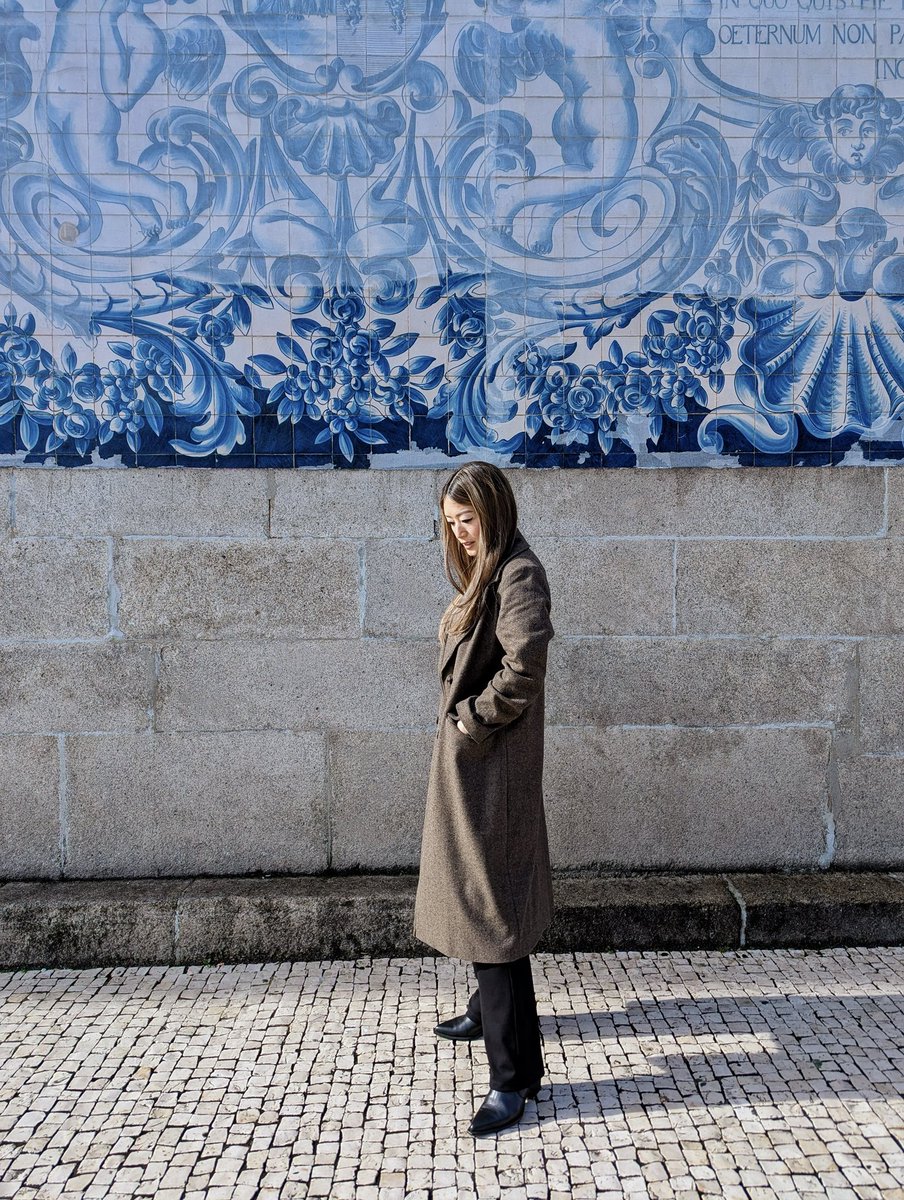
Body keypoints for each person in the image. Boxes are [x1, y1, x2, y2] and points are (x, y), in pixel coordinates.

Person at [413, 462, 556, 1136]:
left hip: (490, 764)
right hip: (473, 761)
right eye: (451, 524)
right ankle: (484, 1007)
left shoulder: (519, 575)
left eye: (468, 520)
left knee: (492, 908)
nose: (461, 534)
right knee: (477, 894)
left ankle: (514, 1080)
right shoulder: (486, 571)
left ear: (494, 512)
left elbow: (524, 667)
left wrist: (472, 721)